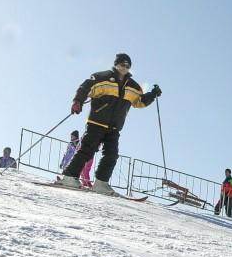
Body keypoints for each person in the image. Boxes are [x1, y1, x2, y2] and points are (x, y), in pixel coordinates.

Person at [56, 53, 162, 194]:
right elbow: (86, 87)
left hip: (114, 127)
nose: (125, 67)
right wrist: (77, 101)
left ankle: (101, 182)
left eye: (128, 65)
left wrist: (152, 94)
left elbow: (139, 101)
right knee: (87, 150)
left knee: (112, 154)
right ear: (116, 64)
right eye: (122, 64)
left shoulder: (133, 86)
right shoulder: (103, 77)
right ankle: (69, 177)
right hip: (97, 122)